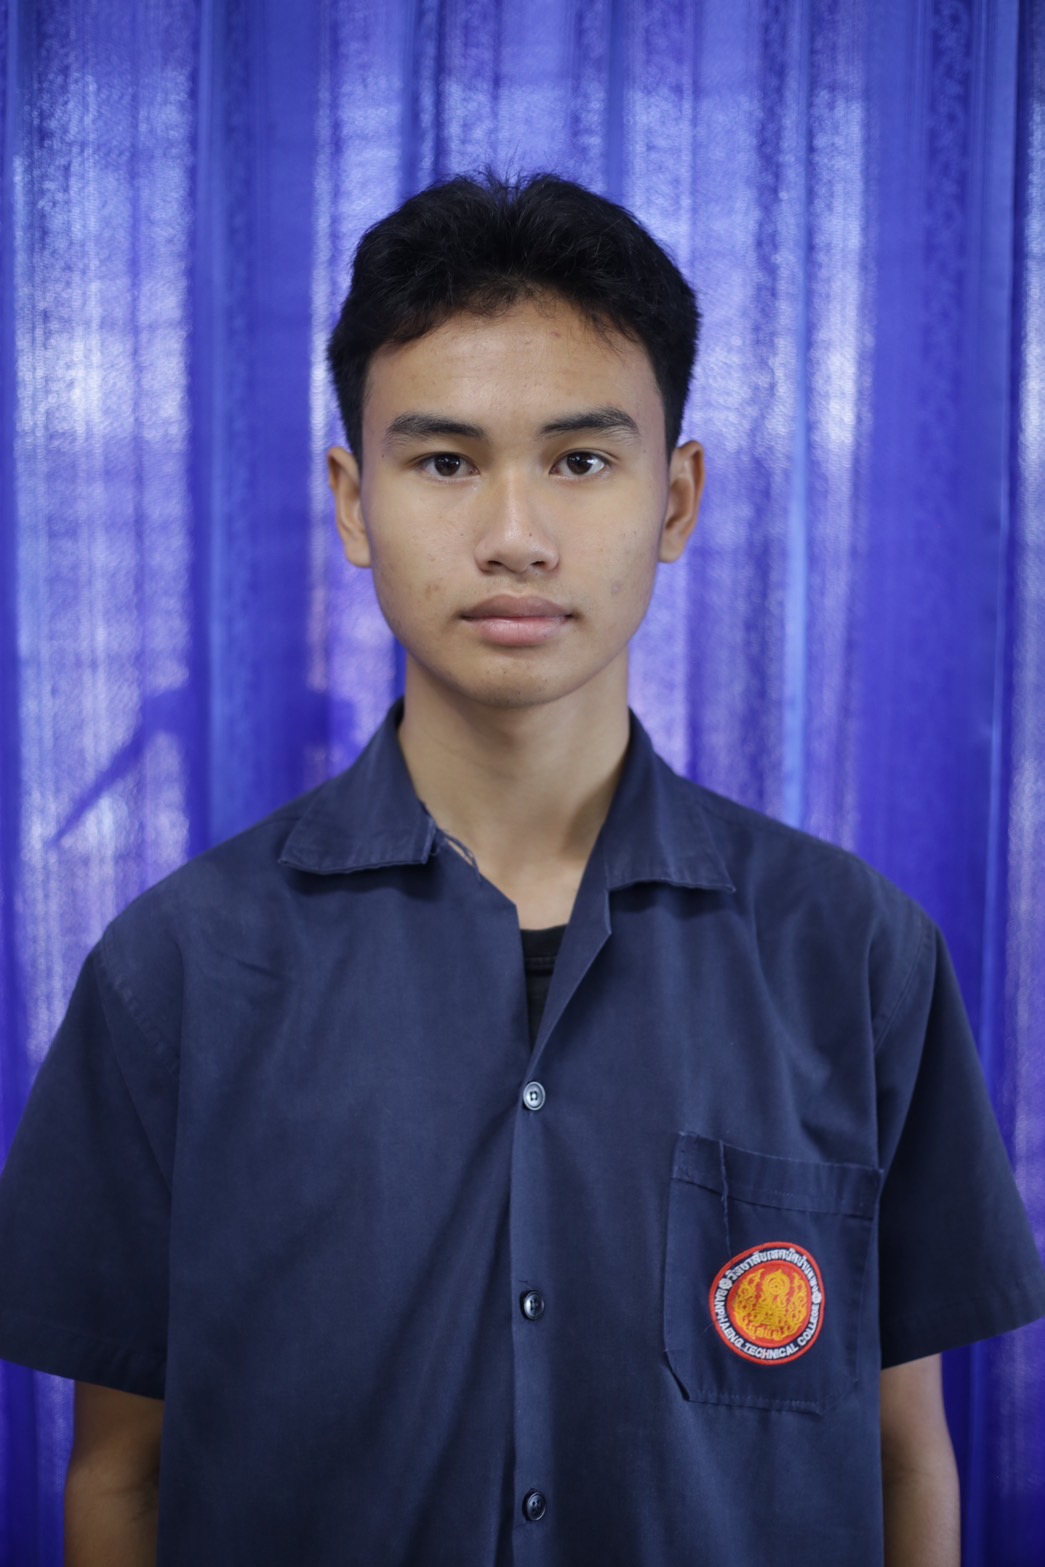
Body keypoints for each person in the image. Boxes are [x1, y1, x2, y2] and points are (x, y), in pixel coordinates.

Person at [0, 170, 1042, 1567]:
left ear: (675, 498)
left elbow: (904, 1459)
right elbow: (120, 1478)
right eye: (443, 462)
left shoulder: (852, 953)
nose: (513, 537)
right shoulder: (177, 971)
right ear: (352, 502)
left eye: (580, 461)